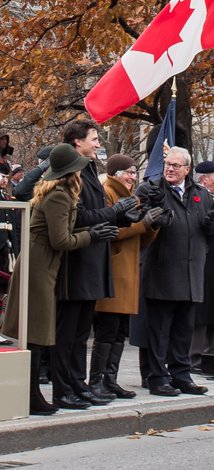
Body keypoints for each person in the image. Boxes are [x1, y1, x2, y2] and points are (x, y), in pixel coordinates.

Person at [1, 144, 117, 415]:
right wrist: (93, 235)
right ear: (71, 173)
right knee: (36, 332)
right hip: (40, 266)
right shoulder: (60, 196)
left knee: (37, 332)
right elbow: (61, 239)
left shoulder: (57, 192)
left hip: (40, 263)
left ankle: (33, 394)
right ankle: (31, 395)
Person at [54, 120, 142, 409]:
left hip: (93, 258)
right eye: (93, 138)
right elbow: (77, 216)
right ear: (77, 141)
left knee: (81, 333)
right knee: (68, 333)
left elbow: (95, 212)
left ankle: (78, 384)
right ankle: (62, 388)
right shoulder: (69, 172)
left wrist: (122, 216)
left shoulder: (89, 168)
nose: (97, 143)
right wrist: (112, 211)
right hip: (76, 261)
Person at [134, 146, 214, 396]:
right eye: (167, 164)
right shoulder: (151, 189)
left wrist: (213, 225)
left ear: (187, 169)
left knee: (183, 331)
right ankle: (157, 377)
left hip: (192, 272)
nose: (170, 169)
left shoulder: (200, 194)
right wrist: (152, 216)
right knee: (158, 331)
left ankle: (181, 375)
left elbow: (209, 225)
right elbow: (138, 221)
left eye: (176, 165)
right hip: (161, 271)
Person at [93, 154, 156, 399]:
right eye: (129, 172)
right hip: (113, 270)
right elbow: (110, 231)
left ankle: (110, 380)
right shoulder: (107, 192)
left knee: (119, 331)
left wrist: (153, 223)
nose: (132, 176)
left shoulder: (131, 197)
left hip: (128, 269)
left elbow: (142, 238)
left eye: (133, 172)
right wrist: (142, 225)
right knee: (107, 330)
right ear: (116, 173)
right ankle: (97, 381)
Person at [190, 160, 214, 362]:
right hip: (204, 260)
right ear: (204, 178)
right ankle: (198, 353)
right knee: (203, 307)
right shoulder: (197, 197)